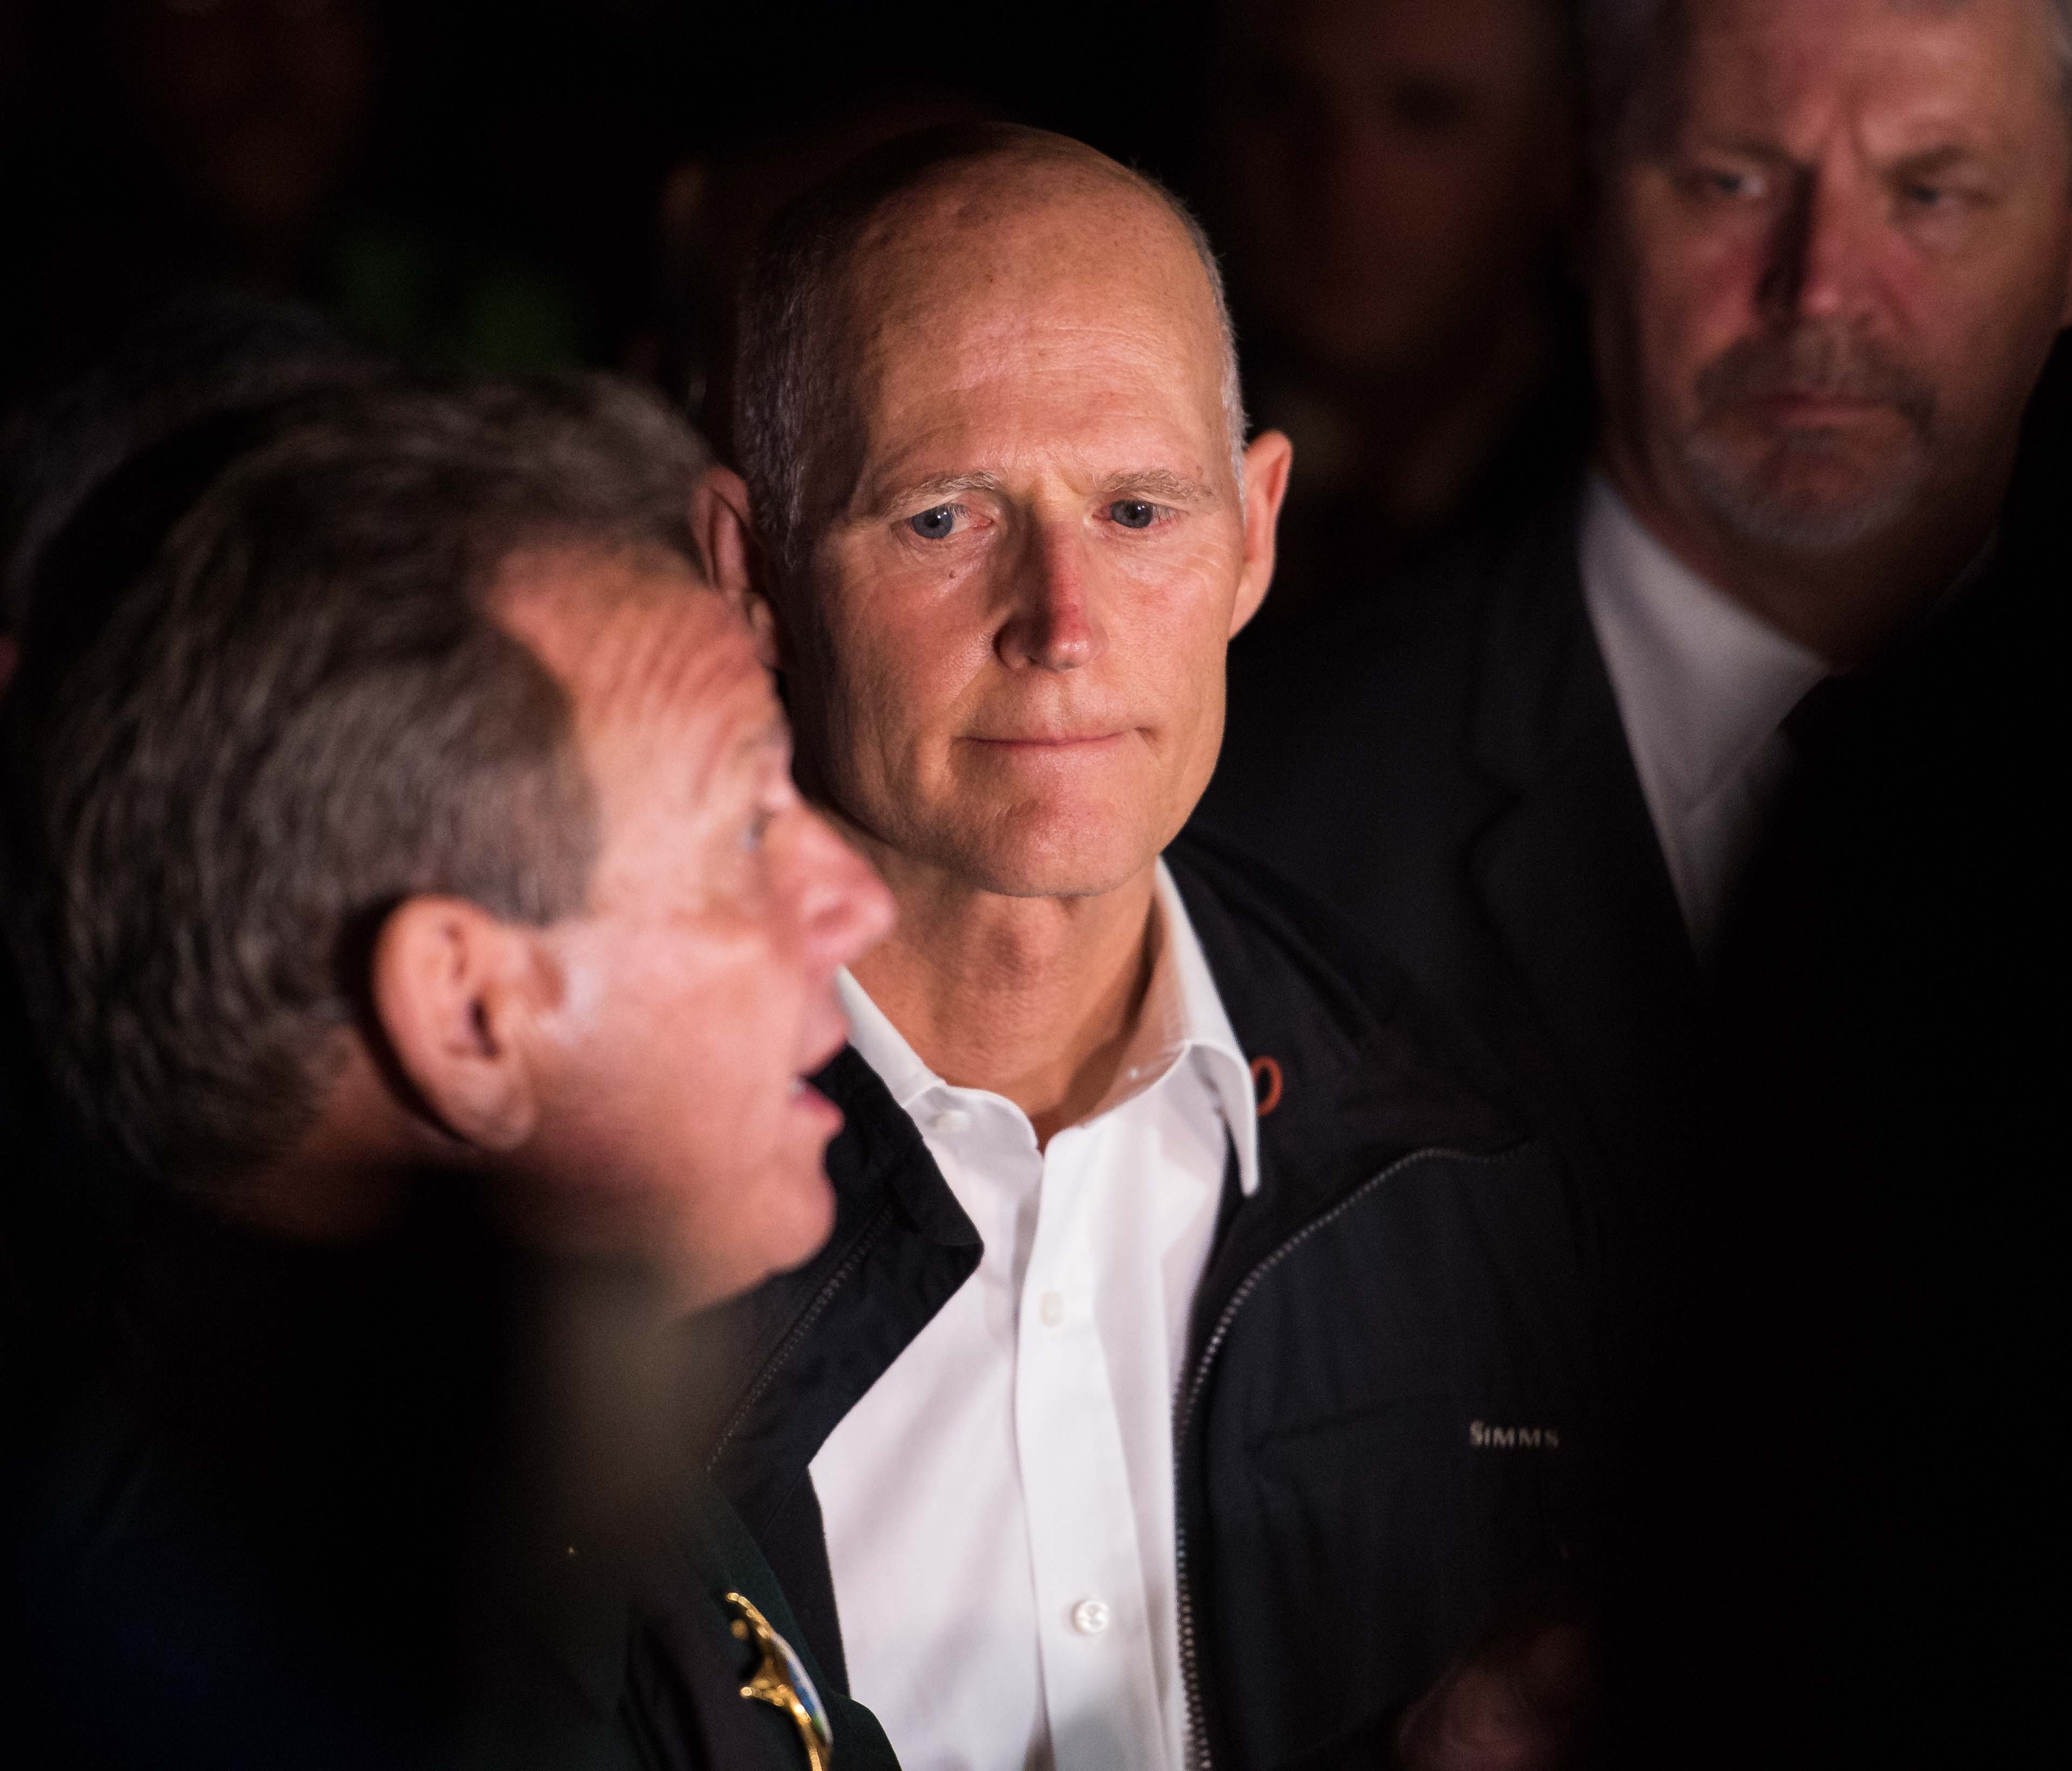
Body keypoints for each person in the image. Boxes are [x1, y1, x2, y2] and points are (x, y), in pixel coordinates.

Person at [1198, 0, 2072, 1757]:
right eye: (1733, 176)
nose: (1819, 286)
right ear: (1581, 194)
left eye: (1930, 191)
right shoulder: (1231, 818)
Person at [693, 123, 1596, 1771]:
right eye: (941, 518)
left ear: (1252, 533)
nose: (1063, 623)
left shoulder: (1454, 1173)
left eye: (1133, 507)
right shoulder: (594, 1229)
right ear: (748, 572)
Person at [0, 373, 897, 1770]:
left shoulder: (493, 1468)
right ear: (465, 1013)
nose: (856, 899)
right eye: (744, 828)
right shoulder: (244, 1681)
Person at [1193, 0, 1590, 647]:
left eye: (1425, 114)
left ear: (1557, 154)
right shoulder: (1123, 442)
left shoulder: (1613, 518)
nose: (1340, 178)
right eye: (1280, 99)